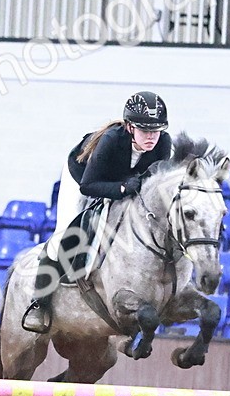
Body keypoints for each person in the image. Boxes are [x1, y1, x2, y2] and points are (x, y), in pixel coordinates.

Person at [22, 91, 173, 333]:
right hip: (83, 177)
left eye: (156, 131)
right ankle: (39, 303)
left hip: (122, 182)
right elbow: (89, 185)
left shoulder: (163, 144)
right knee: (64, 233)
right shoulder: (112, 140)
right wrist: (123, 187)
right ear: (129, 127)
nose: (151, 137)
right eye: (145, 130)